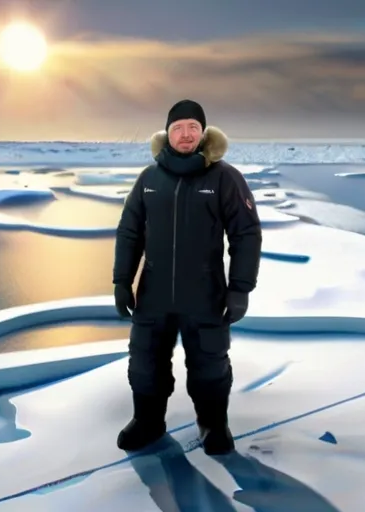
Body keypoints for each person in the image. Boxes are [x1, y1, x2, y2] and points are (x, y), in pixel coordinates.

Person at [112, 99, 262, 455]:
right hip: (154, 293)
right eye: (178, 127)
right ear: (167, 133)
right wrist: (122, 280)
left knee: (209, 364)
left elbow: (246, 233)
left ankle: (212, 423)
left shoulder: (224, 177)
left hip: (205, 294)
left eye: (193, 127)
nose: (185, 133)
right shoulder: (149, 179)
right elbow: (129, 231)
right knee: (145, 362)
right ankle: (148, 421)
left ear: (204, 133)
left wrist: (240, 288)